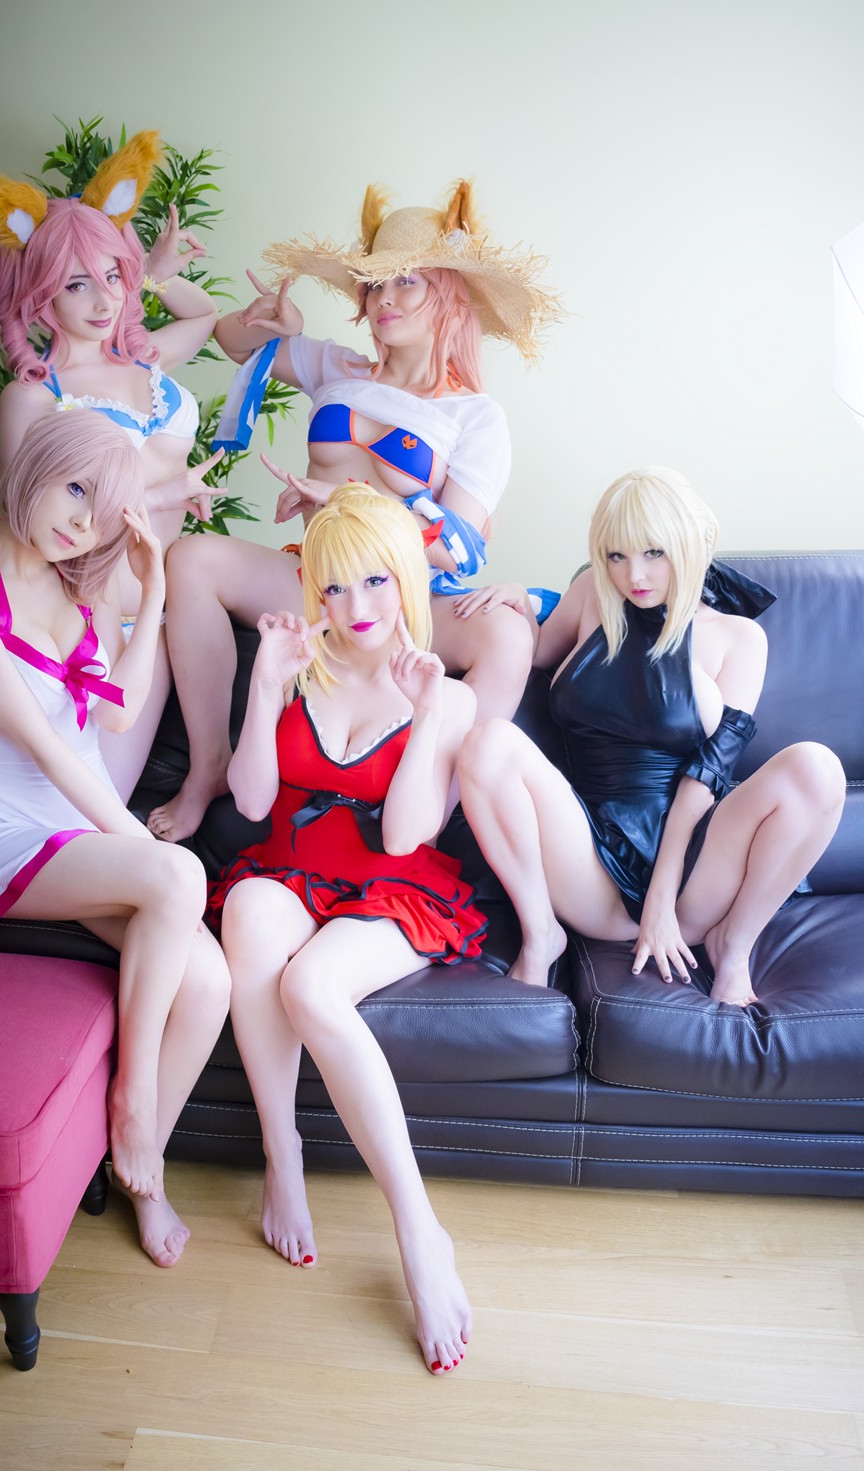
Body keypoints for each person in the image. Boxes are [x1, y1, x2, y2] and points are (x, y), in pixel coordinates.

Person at [147, 180, 563, 842]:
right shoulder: (334, 367)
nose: (384, 299)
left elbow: (460, 548)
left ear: (450, 295)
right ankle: (208, 767)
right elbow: (231, 344)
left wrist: (349, 502)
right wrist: (264, 321)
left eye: (406, 282)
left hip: (408, 601)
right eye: (374, 286)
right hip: (320, 584)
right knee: (192, 558)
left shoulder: (475, 417)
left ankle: (440, 812)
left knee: (509, 635)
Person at [0, 409, 230, 1268]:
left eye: (102, 510)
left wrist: (153, 593)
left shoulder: (79, 587)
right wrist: (149, 853)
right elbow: (46, 748)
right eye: (74, 488)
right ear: (37, 468)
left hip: (72, 832)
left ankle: (137, 1169)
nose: (82, 522)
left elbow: (118, 714)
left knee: (209, 983)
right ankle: (133, 1108)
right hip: (1, 834)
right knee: (177, 879)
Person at [208, 483, 484, 1374]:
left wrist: (428, 713)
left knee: (310, 985)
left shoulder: (442, 692)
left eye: (374, 582)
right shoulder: (299, 662)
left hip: (392, 890)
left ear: (405, 578)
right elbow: (253, 802)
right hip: (291, 869)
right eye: (332, 587)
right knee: (247, 911)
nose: (355, 606)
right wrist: (264, 685)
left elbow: (405, 837)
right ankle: (281, 1155)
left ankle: (419, 1229)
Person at [0, 131, 224, 805]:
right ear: (40, 295)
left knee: (100, 798)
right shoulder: (33, 396)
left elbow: (205, 316)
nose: (105, 301)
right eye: (78, 284)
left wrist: (154, 270)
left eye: (112, 276)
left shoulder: (146, 360)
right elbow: (24, 519)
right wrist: (164, 493)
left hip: (144, 615)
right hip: (67, 612)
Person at [458, 467, 846, 1003]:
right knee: (487, 741)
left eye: (653, 553)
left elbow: (709, 773)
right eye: (616, 555)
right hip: (590, 862)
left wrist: (663, 897)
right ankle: (541, 934)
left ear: (688, 544)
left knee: (817, 767)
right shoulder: (593, 594)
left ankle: (733, 945)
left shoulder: (738, 639)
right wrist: (519, 601)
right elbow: (536, 651)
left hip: (695, 872)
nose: (633, 575)